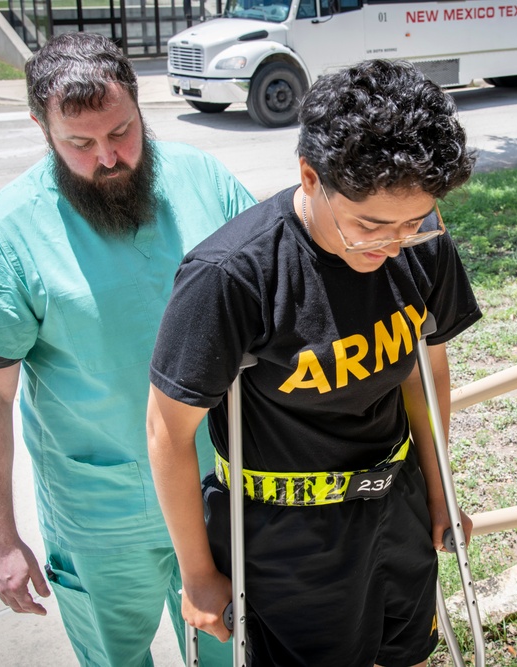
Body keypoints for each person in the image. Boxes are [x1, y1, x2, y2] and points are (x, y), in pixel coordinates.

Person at [147, 59, 481, 666]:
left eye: (413, 223)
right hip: (286, 538)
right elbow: (168, 433)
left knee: (406, 654)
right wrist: (197, 574)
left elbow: (423, 372)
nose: (392, 244)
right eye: (370, 225)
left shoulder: (419, 241)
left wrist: (437, 490)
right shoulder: (231, 277)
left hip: (396, 500)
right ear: (309, 176)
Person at [0, 31, 255, 666]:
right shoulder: (9, 232)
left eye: (122, 133)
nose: (109, 158)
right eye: (79, 144)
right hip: (103, 519)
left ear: (140, 106)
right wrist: (0, 539)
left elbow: (271, 309)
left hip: (222, 494)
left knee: (233, 656)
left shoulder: (203, 179)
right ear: (42, 126)